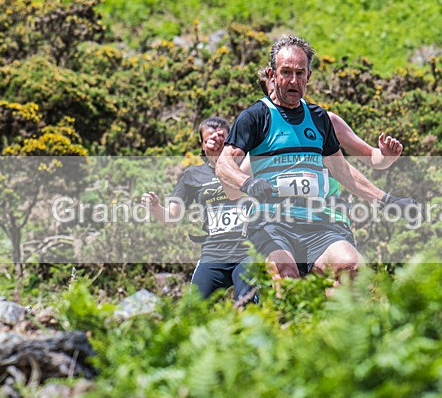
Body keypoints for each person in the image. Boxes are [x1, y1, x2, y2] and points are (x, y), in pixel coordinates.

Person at [217, 35, 411, 282]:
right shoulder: (255, 117)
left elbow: (342, 171)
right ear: (272, 74)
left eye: (300, 73)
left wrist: (387, 200)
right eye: (286, 72)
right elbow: (224, 164)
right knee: (285, 272)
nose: (293, 81)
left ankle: (335, 320)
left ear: (309, 76)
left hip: (318, 222)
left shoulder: (320, 119)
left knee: (352, 267)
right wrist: (248, 184)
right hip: (272, 223)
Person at [142, 117, 255, 303]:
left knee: (247, 303)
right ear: (202, 145)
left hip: (248, 251)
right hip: (214, 252)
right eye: (209, 138)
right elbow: (171, 218)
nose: (215, 142)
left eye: (222, 139)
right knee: (193, 307)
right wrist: (155, 207)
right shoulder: (192, 175)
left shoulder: (246, 167)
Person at [255, 65, 403, 170]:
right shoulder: (263, 135)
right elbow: (237, 185)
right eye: (275, 95)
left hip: (327, 208)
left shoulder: (327, 121)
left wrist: (386, 156)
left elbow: (372, 157)